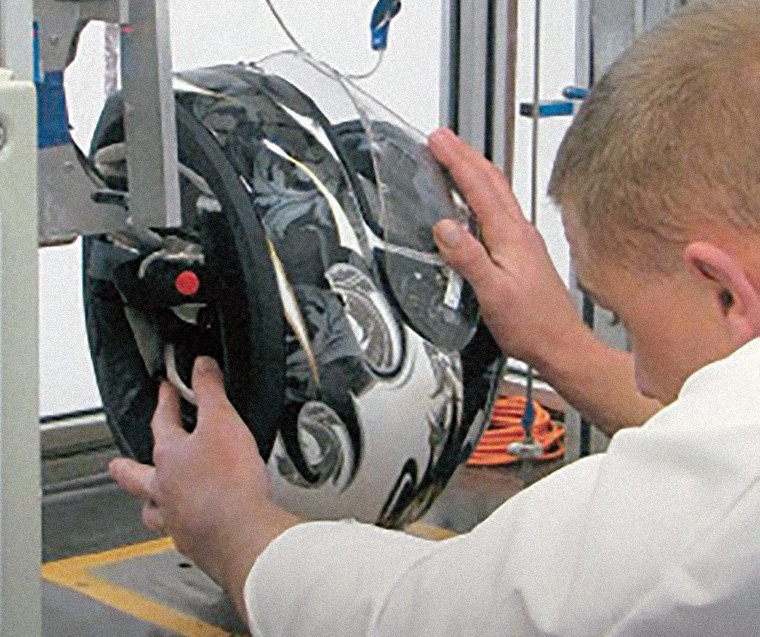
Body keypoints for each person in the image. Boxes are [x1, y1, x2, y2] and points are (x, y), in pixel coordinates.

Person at [110, 1, 760, 634]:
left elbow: (420, 616)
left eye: (622, 320)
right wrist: (561, 347)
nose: (642, 379)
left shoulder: (709, 519)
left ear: (728, 292)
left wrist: (230, 526)